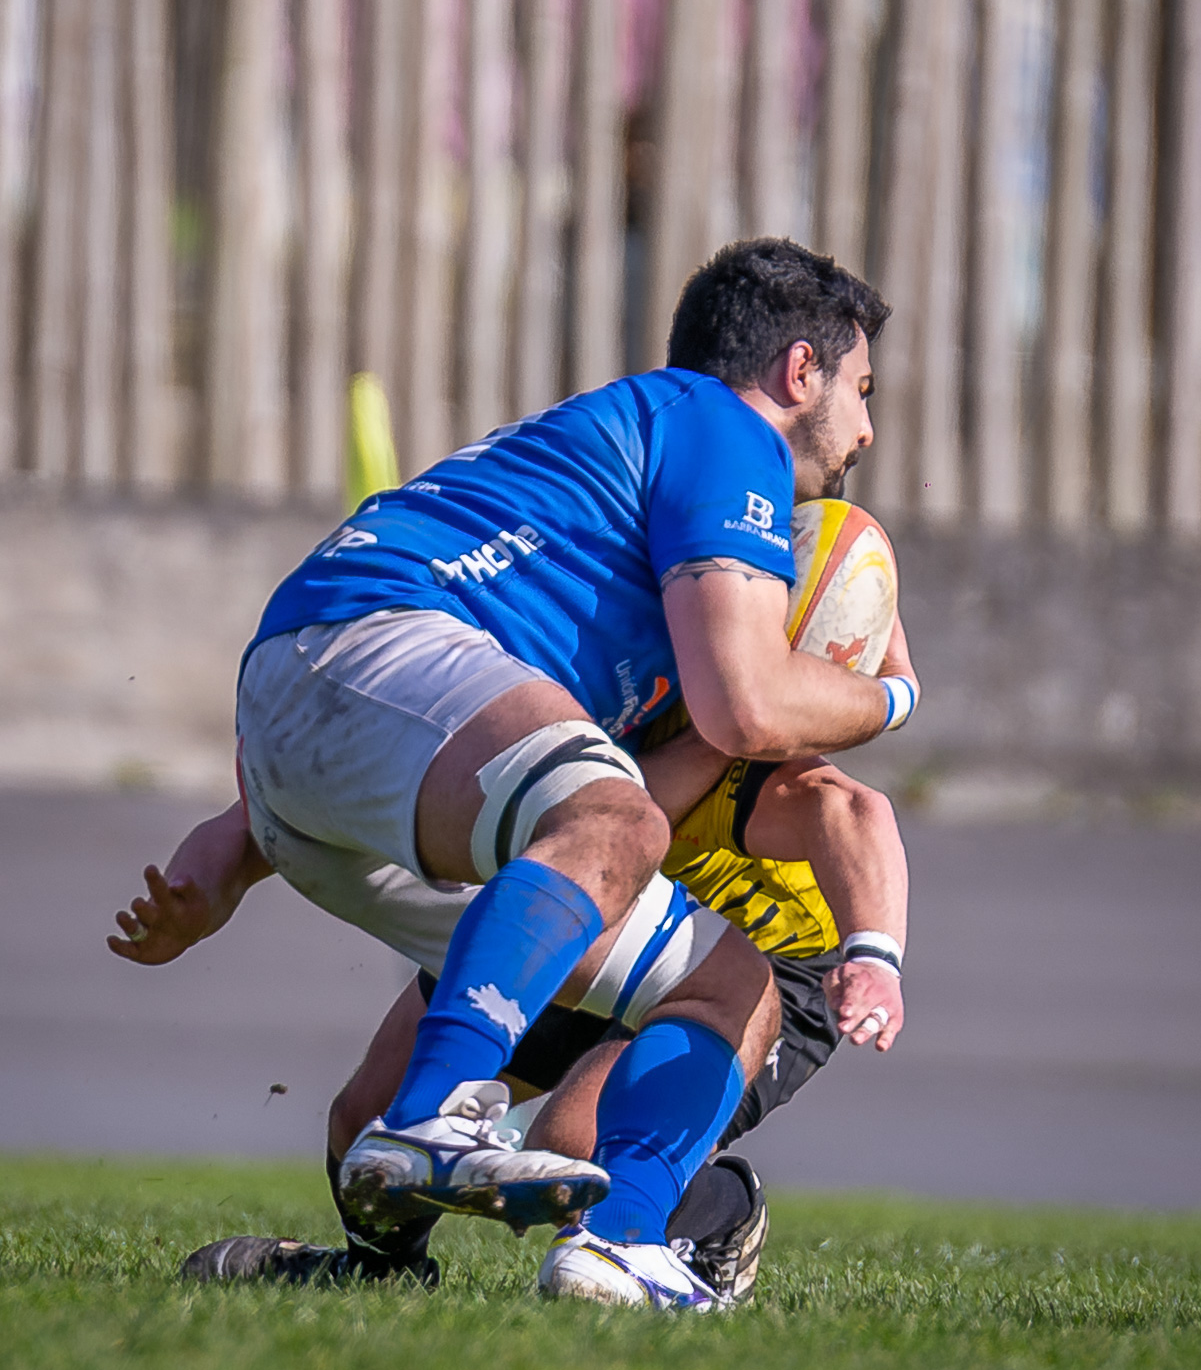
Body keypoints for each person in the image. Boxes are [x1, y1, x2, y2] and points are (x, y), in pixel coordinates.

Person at [119, 238, 916, 1309]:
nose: (864, 429)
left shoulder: (591, 531)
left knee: (729, 982)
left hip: (322, 732)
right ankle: (439, 1116)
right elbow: (748, 701)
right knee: (616, 821)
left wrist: (214, 868)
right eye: (861, 390)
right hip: (379, 646)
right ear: (798, 370)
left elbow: (397, 731)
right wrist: (895, 695)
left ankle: (607, 1249)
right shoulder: (722, 427)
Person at [113, 720, 911, 1302]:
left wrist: (872, 956)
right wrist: (201, 889)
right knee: (369, 1122)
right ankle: (380, 1278)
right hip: (593, 922)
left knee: (573, 1144)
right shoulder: (540, 685)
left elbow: (849, 811)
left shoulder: (734, 727)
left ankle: (715, 1218)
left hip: (769, 955)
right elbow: (274, 810)